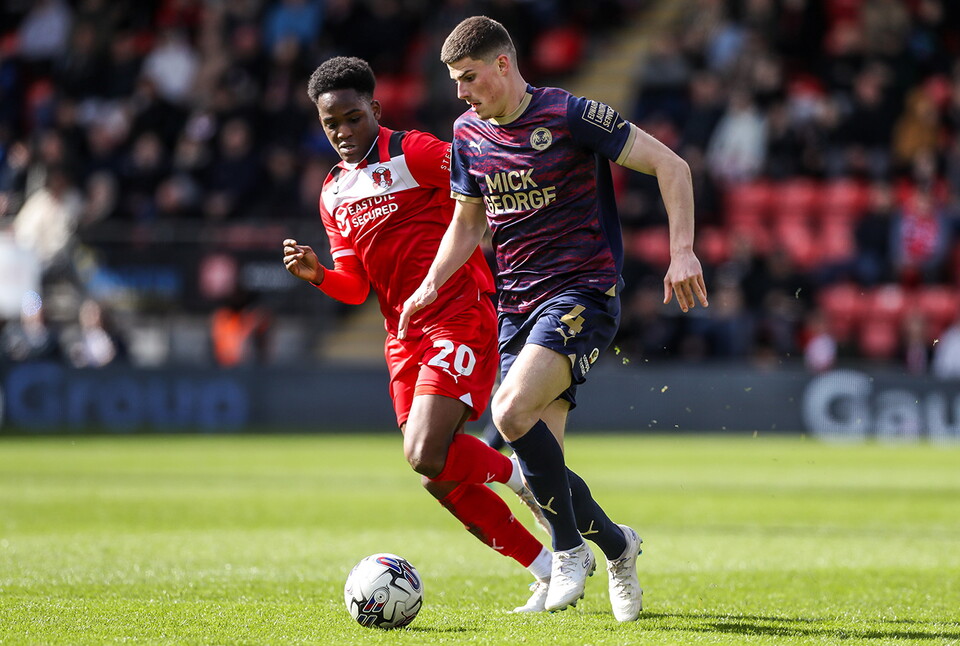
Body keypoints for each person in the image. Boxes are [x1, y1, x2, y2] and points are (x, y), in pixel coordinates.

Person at [398, 17, 708, 621]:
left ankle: (569, 553)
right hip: (517, 308)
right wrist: (430, 286)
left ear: (503, 65)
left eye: (469, 78)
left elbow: (674, 167)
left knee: (508, 412)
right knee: (542, 478)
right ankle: (618, 548)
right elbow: (468, 222)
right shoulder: (467, 133)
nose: (461, 92)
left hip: (582, 296)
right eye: (454, 81)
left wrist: (682, 251)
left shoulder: (570, 115)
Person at [281, 56, 552, 612]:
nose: (342, 134)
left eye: (353, 119)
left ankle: (516, 473)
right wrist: (320, 277)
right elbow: (356, 288)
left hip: (458, 313)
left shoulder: (416, 152)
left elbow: (482, 183)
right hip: (402, 335)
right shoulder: (332, 192)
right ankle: (544, 567)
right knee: (435, 473)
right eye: (331, 124)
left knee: (427, 451)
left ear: (375, 110)